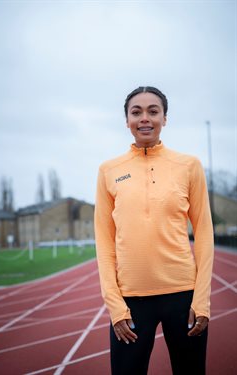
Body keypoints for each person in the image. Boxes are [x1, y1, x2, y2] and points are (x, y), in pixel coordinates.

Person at [94, 86, 214, 375]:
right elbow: (104, 241)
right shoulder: (108, 171)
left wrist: (202, 301)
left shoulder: (189, 166)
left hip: (183, 296)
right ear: (127, 121)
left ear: (165, 118)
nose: (144, 118)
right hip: (131, 301)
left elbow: (205, 234)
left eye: (153, 111)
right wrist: (115, 307)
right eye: (136, 112)